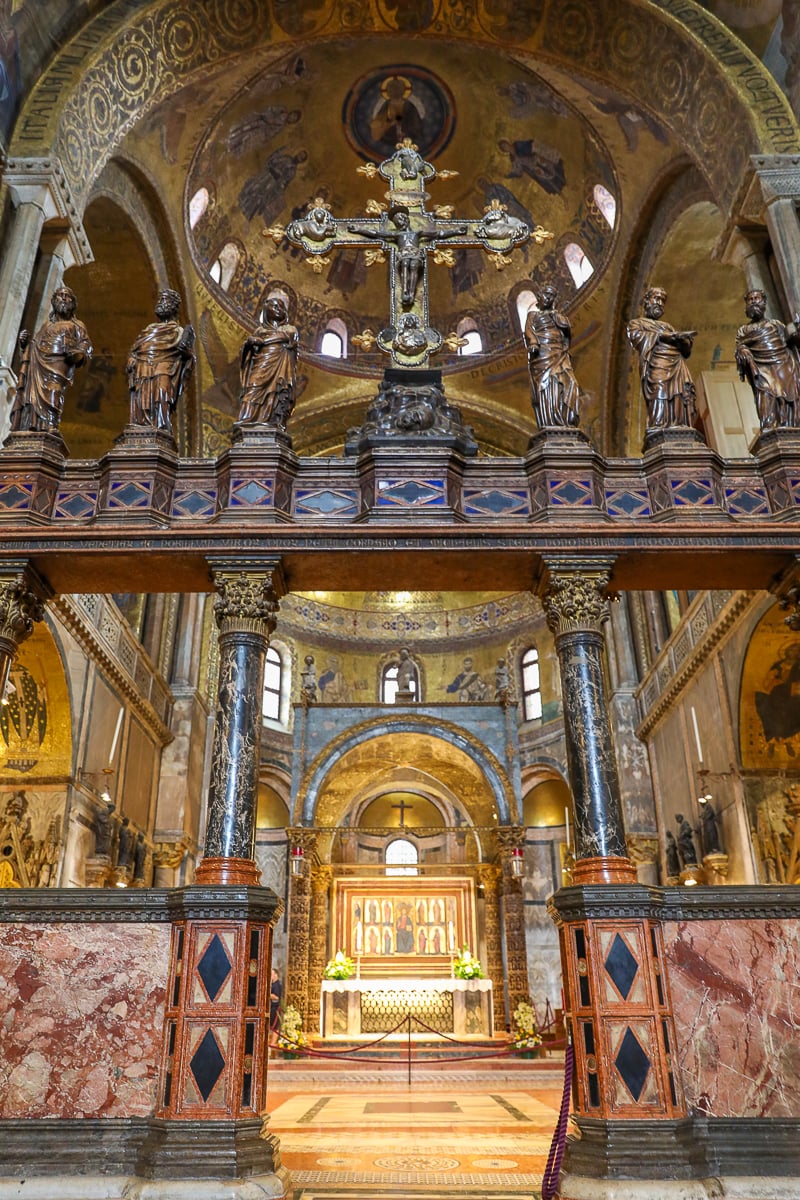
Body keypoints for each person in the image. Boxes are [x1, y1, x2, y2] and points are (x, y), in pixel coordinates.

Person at [348, 205, 466, 308]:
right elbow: (377, 233)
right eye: (396, 222)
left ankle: (411, 292)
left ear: (406, 220)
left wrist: (457, 231)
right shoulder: (398, 234)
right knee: (405, 264)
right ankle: (405, 291)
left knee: (414, 265)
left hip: (415, 254)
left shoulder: (417, 233)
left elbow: (438, 234)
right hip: (403, 254)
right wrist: (358, 229)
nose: (399, 223)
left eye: (400, 220)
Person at [10, 286, 92, 433]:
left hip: (59, 364)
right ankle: (33, 427)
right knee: (33, 399)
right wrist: (24, 345)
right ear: (54, 301)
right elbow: (34, 347)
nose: (64, 299)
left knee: (55, 390)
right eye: (60, 296)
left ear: (73, 303)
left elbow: (85, 345)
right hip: (39, 365)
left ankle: (50, 425)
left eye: (68, 296)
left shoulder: (77, 325)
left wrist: (78, 354)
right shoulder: (47, 325)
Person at [626, 286, 697, 430]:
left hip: (677, 365)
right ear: (647, 301)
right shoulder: (637, 323)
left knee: (680, 394)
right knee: (659, 392)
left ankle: (679, 425)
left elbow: (685, 353)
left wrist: (685, 341)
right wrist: (665, 336)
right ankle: (659, 426)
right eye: (656, 298)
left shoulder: (668, 326)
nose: (659, 303)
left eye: (662, 300)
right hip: (657, 364)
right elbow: (637, 337)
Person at [126, 289, 195, 433]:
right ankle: (142, 425)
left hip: (165, 367)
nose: (160, 304)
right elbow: (135, 349)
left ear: (174, 307)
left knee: (162, 394)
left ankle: (161, 426)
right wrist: (132, 358)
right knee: (142, 398)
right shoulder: (148, 330)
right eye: (160, 300)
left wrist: (187, 353)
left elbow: (188, 355)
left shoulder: (178, 331)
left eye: (164, 300)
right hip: (143, 366)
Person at [735, 288, 800, 430]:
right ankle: (771, 429)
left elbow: (790, 342)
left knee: (788, 398)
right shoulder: (743, 331)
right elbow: (739, 347)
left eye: (756, 299)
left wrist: (796, 332)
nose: (753, 302)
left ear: (764, 302)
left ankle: (791, 427)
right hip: (761, 370)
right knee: (766, 399)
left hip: (784, 366)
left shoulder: (776, 324)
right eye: (750, 300)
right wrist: (743, 350)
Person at [524, 284, 582, 428]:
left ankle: (566, 420)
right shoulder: (533, 315)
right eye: (546, 294)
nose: (548, 298)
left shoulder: (558, 316)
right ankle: (550, 421)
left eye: (552, 296)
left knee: (570, 383)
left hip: (560, 354)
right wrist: (533, 342)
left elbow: (567, 331)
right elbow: (528, 330)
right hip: (543, 355)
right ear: (539, 297)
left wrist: (556, 314)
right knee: (548, 384)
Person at [236, 296, 299, 428]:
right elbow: (248, 351)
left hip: (280, 366)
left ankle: (272, 421)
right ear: (266, 309)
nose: (279, 310)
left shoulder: (289, 329)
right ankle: (247, 419)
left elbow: (288, 338)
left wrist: (262, 341)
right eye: (275, 306)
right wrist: (249, 343)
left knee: (276, 392)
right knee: (253, 386)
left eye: (282, 307)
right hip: (261, 363)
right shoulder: (259, 331)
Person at [269, 968, 282, 1046]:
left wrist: (267, 994)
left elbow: (276, 997)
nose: (270, 976)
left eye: (271, 974)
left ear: (276, 975)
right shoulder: (273, 984)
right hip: (271, 1007)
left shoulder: (277, 985)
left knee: (275, 1026)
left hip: (275, 1008)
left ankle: (273, 1043)